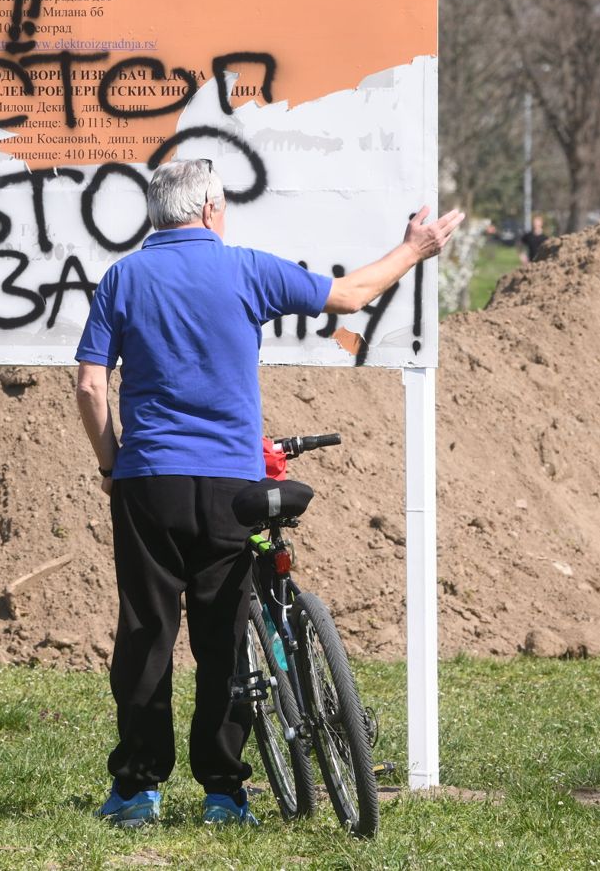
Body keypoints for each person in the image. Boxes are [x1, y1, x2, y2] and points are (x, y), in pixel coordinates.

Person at [74, 160, 461, 827]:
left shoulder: (124, 277)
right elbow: (348, 297)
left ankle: (138, 789)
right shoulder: (246, 268)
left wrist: (113, 463)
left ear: (157, 214)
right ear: (210, 209)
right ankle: (224, 793)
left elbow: (88, 385)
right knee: (224, 636)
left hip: (150, 483)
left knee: (147, 633)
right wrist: (415, 248)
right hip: (232, 483)